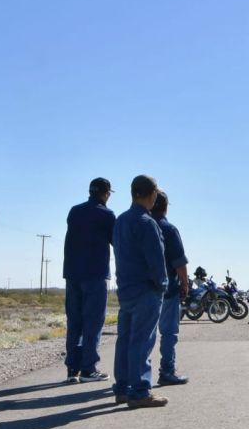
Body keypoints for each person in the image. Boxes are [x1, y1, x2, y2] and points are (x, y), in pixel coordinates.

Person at [111, 175, 168, 409]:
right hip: (146, 290)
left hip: (126, 289)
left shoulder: (121, 220)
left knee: (125, 341)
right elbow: (155, 260)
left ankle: (123, 389)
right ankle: (141, 391)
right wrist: (162, 285)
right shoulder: (146, 222)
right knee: (142, 341)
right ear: (151, 193)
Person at [62, 178, 116, 383]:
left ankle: (72, 369)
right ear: (106, 193)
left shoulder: (74, 211)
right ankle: (88, 369)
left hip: (72, 273)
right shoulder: (106, 214)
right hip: (95, 274)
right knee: (93, 322)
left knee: (74, 321)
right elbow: (116, 241)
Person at [149, 191, 189, 386]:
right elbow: (179, 263)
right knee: (169, 333)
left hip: (143, 290)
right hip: (167, 290)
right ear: (165, 206)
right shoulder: (168, 229)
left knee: (143, 336)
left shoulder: (141, 225)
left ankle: (138, 375)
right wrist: (185, 283)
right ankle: (167, 371)